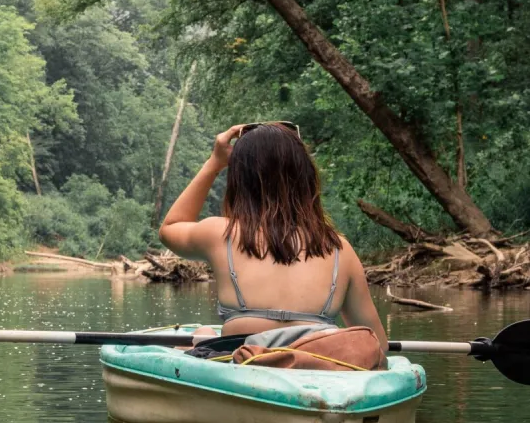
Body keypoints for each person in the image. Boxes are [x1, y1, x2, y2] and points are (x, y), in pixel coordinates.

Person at [158, 122, 387, 364]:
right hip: (314, 362)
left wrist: (215, 162)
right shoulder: (339, 248)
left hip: (242, 361)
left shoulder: (220, 232)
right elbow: (377, 346)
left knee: (200, 335)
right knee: (203, 335)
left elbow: (170, 228)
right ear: (305, 177)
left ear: (239, 180)